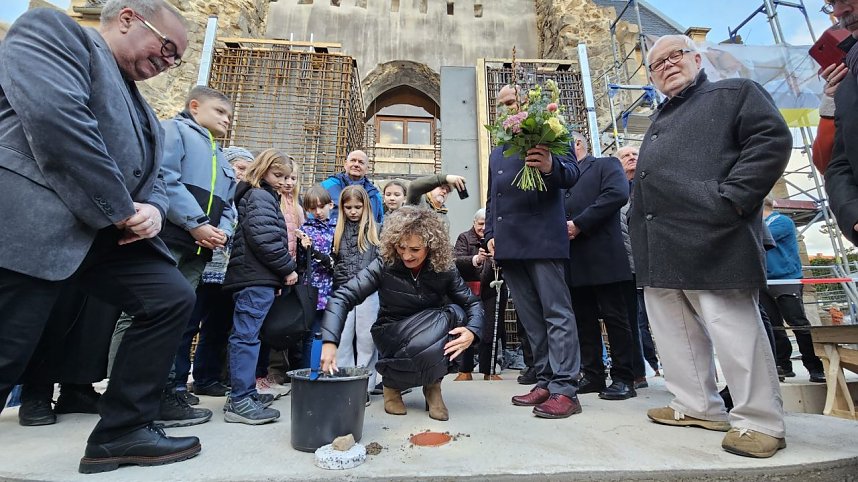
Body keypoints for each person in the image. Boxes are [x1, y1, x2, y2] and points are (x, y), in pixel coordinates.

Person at [0, 0, 201, 473]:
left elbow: (156, 180)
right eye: (167, 47)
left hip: (109, 234)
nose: (167, 63)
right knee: (8, 347)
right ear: (129, 18)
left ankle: (123, 431)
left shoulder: (147, 112)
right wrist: (123, 208)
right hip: (33, 223)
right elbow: (58, 121)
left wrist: (153, 209)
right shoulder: (55, 32)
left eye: (176, 60)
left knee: (169, 296)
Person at [629, 35, 791, 458]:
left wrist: (733, 198)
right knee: (672, 329)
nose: (665, 65)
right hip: (659, 241)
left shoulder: (734, 92)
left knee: (733, 328)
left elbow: (771, 140)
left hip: (713, 232)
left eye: (675, 55)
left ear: (697, 57)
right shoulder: (663, 116)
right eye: (656, 63)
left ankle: (759, 421)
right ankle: (696, 404)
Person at [319, 206, 482, 421]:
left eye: (415, 249)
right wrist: (330, 342)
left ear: (431, 246)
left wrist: (472, 331)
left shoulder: (445, 268)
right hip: (392, 332)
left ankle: (433, 386)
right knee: (441, 322)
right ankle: (391, 386)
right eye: (401, 247)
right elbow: (343, 296)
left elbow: (473, 303)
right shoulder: (384, 264)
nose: (406, 255)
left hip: (430, 329)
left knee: (456, 314)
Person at [486, 85, 583, 419]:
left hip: (542, 237)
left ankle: (566, 387)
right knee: (530, 317)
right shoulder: (497, 148)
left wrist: (549, 164)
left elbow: (572, 174)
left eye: (511, 102)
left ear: (526, 104)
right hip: (509, 243)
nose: (505, 109)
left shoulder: (551, 131)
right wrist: (490, 233)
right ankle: (544, 379)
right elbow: (492, 197)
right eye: (500, 106)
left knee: (556, 313)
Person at [154, 84, 236, 423]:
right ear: (195, 106)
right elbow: (165, 178)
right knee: (153, 314)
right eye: (220, 112)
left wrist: (223, 231)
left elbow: (229, 204)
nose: (226, 120)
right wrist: (195, 222)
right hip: (172, 238)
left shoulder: (220, 155)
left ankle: (169, 389)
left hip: (201, 247)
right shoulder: (174, 132)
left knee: (178, 316)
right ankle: (140, 391)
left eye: (230, 116)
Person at [221, 149, 299, 425]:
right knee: (246, 337)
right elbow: (265, 239)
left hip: (256, 275)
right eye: (277, 175)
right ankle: (240, 399)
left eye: (287, 177)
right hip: (254, 277)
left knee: (247, 336)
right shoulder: (260, 197)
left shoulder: (261, 196)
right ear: (263, 170)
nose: (282, 181)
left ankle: (245, 393)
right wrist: (287, 269)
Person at [564, 132, 636, 401]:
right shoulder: (564, 177)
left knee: (616, 318)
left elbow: (616, 194)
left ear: (578, 144)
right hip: (574, 258)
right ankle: (592, 374)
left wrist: (580, 223)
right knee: (584, 320)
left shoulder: (606, 165)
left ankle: (623, 377)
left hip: (604, 255)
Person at [761, 197, 826, 383]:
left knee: (798, 323)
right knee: (773, 326)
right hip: (763, 281)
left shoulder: (781, 222)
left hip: (785, 279)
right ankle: (782, 365)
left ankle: (814, 366)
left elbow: (759, 238)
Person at [331, 185, 382, 399]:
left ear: (365, 207)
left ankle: (363, 387)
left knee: (366, 340)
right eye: (348, 207)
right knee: (342, 339)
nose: (353, 211)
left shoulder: (376, 230)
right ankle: (344, 382)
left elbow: (382, 260)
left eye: (358, 207)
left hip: (368, 291)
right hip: (343, 291)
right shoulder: (336, 229)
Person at [617, 145, 660, 382]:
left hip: (654, 261)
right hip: (627, 265)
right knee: (633, 319)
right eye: (626, 156)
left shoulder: (649, 185)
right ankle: (639, 370)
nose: (632, 158)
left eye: (635, 155)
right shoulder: (616, 190)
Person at [453, 208, 505, 381]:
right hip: (468, 290)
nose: (483, 228)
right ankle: (464, 370)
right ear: (474, 223)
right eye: (480, 224)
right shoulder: (464, 238)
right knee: (466, 327)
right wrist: (476, 259)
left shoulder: (498, 238)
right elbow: (456, 260)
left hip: (492, 289)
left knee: (491, 330)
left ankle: (488, 370)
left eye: (487, 224)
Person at [824, 0, 858, 247]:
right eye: (833, 3)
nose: (839, 11)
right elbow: (837, 164)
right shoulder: (847, 83)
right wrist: (853, 215)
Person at [296, 185, 336, 367]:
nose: (318, 211)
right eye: (313, 208)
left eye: (321, 206)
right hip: (314, 287)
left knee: (333, 332)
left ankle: (330, 370)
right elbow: (302, 261)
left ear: (331, 205)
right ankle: (309, 371)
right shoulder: (306, 228)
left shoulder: (337, 228)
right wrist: (303, 246)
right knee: (313, 333)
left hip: (335, 287)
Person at [321, 150, 384, 225]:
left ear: (367, 169)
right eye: (353, 160)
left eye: (361, 162)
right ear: (345, 164)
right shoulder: (327, 186)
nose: (356, 164)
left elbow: (379, 223)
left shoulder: (375, 195)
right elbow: (313, 214)